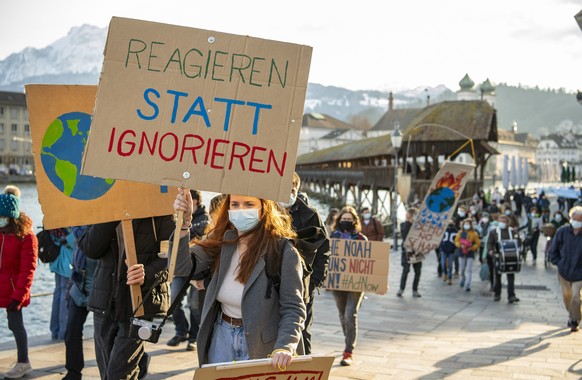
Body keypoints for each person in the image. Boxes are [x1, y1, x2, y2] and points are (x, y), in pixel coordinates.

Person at [172, 191, 306, 369]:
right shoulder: (221, 240)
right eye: (235, 205)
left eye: (249, 205)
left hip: (262, 343)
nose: (241, 210)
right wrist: (183, 223)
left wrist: (285, 346)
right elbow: (181, 267)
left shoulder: (283, 251)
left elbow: (294, 308)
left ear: (263, 208)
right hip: (221, 335)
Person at [79, 215, 174, 379]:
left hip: (140, 304)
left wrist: (148, 272)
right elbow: (90, 249)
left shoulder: (159, 207)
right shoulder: (102, 204)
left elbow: (173, 257)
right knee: (108, 372)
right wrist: (111, 214)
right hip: (105, 302)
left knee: (117, 374)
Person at [281, 172, 330, 355]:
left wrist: (315, 280)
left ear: (297, 189)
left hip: (303, 284)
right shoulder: (268, 211)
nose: (288, 194)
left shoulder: (310, 215)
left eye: (292, 190)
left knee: (302, 331)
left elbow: (324, 248)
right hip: (274, 284)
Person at [0, 185, 38, 379]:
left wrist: (18, 297)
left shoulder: (27, 236)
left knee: (15, 325)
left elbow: (28, 270)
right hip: (1, 285)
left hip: (13, 289)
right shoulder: (2, 232)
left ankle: (24, 362)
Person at [167, 190, 210, 350]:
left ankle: (194, 336)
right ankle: (181, 331)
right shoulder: (177, 215)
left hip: (198, 271)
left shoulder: (204, 219)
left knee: (195, 306)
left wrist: (185, 225)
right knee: (173, 302)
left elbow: (193, 239)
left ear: (195, 201)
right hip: (182, 270)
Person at [329, 206, 367, 366]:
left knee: (350, 315)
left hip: (355, 285)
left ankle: (348, 351)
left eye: (349, 220)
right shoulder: (333, 237)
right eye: (343, 219)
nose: (346, 222)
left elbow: (368, 262)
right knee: (342, 315)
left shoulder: (361, 239)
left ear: (354, 221)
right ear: (339, 221)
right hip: (338, 283)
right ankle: (348, 340)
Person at [63, 225, 96, 380]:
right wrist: (70, 286)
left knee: (108, 335)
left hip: (100, 286)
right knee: (71, 332)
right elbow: (77, 256)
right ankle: (73, 372)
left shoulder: (105, 223)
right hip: (79, 285)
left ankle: (138, 358)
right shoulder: (78, 225)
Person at [548, 206, 582, 332]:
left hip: (579, 273)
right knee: (567, 296)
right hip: (564, 271)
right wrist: (558, 262)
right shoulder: (563, 231)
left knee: (576, 296)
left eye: (580, 219)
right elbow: (554, 249)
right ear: (570, 218)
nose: (577, 221)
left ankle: (574, 320)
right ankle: (572, 313)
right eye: (575, 218)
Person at [487, 214, 521, 304]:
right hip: (498, 257)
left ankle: (511, 296)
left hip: (510, 257)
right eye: (500, 221)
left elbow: (519, 242)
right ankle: (497, 294)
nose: (502, 222)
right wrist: (490, 250)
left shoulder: (512, 232)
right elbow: (489, 242)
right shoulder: (494, 232)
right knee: (497, 277)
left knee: (510, 277)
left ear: (507, 222)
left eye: (504, 221)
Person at [49, 227, 74, 341]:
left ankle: (55, 331)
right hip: (67, 260)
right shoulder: (68, 220)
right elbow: (75, 239)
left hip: (56, 259)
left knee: (58, 293)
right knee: (66, 296)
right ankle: (63, 333)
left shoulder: (54, 217)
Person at [397, 208, 422, 297]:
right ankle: (401, 289)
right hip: (406, 251)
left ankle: (415, 289)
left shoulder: (419, 226)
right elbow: (404, 235)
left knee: (418, 271)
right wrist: (409, 222)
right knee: (406, 270)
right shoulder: (403, 224)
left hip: (417, 251)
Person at [454, 218, 481, 292]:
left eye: (468, 224)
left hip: (470, 253)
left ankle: (468, 285)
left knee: (469, 269)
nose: (467, 225)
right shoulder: (460, 232)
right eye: (465, 224)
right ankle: (463, 278)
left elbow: (478, 243)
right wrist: (460, 245)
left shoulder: (474, 233)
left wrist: (472, 248)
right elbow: (456, 241)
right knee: (462, 268)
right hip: (461, 252)